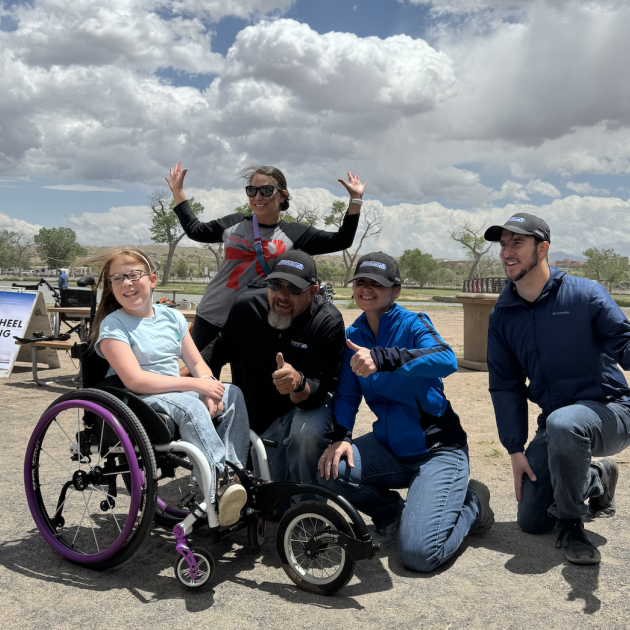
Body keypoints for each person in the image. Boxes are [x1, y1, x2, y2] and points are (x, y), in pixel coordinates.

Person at [317, 252, 494, 571]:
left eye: (377, 284)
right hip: (389, 446)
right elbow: (346, 394)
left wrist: (386, 358)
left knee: (418, 555)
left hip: (437, 450)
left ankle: (472, 504)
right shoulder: (353, 337)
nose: (366, 289)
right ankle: (391, 514)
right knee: (330, 468)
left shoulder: (414, 323)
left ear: (395, 291)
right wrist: (341, 436)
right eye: (361, 282)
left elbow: (447, 359)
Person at [485, 212, 629, 565]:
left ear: (543, 247)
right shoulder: (503, 314)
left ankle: (572, 524)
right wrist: (515, 449)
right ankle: (596, 477)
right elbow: (505, 385)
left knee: (566, 422)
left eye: (517, 242)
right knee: (532, 521)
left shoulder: (585, 295)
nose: (506, 252)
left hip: (611, 411)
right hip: (556, 425)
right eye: (503, 245)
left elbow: (624, 344)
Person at [90, 247, 250, 527]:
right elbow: (135, 380)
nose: (127, 283)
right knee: (189, 406)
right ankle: (219, 484)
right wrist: (194, 385)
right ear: (111, 287)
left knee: (232, 392)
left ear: (152, 280)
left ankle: (234, 474)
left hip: (175, 392)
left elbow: (199, 364)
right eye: (118, 278)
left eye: (134, 275)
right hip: (138, 397)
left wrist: (208, 386)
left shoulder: (172, 318)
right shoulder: (113, 325)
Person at [165, 162, 365, 352]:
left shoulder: (295, 234)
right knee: (201, 380)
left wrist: (355, 200)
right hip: (211, 316)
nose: (258, 197)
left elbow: (342, 241)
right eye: (251, 190)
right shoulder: (234, 223)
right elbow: (195, 230)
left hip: (256, 322)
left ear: (282, 196)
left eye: (266, 191)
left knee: (246, 385)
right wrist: (178, 192)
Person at [200, 249, 346, 510]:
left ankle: (309, 512)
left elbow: (316, 390)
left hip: (302, 410)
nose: (282, 295)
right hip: (258, 418)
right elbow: (215, 352)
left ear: (313, 292)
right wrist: (193, 378)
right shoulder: (247, 306)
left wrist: (297, 383)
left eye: (294, 289)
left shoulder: (327, 321)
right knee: (270, 507)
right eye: (276, 285)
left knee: (306, 435)